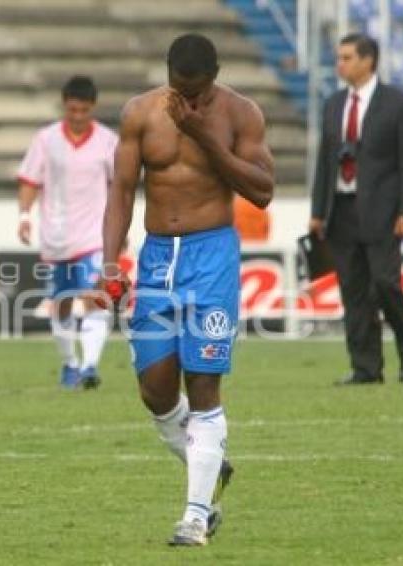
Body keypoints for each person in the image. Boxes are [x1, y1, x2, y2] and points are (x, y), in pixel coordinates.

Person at [99, 34, 273, 546]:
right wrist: (110, 262)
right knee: (154, 388)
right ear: (168, 75)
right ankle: (210, 460)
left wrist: (205, 136)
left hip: (211, 257)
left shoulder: (241, 115)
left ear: (215, 77)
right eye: (180, 90)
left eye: (197, 93)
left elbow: (261, 191)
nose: (188, 101)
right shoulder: (140, 113)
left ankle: (196, 517)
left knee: (203, 385)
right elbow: (121, 191)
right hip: (157, 260)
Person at [309, 33, 403, 385]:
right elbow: (325, 161)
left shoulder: (399, 104)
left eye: (347, 57)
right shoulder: (334, 104)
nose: (340, 64)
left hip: (383, 212)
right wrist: (317, 211)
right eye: (339, 57)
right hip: (340, 210)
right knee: (352, 291)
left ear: (368, 60)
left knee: (385, 283)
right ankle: (366, 368)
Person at [17, 75, 117, 389]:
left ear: (93, 108)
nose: (77, 117)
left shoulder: (108, 141)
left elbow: (119, 188)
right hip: (57, 236)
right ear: (65, 105)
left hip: (93, 236)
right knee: (61, 303)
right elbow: (30, 181)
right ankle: (69, 363)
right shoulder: (46, 140)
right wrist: (24, 216)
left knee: (94, 297)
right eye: (72, 110)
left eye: (83, 111)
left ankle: (89, 365)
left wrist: (118, 227)